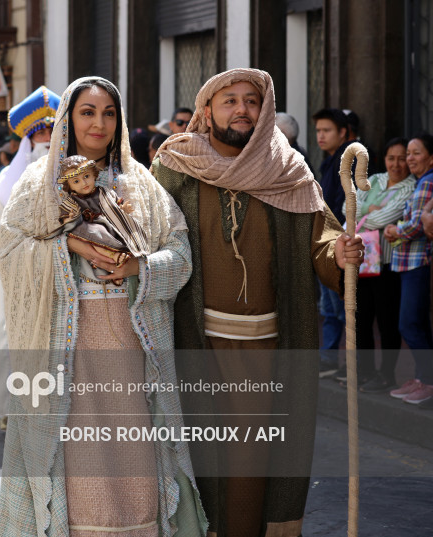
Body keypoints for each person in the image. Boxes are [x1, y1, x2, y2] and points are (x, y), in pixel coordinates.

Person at [153, 68, 363, 537]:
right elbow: (149, 237)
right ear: (207, 111)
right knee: (196, 455)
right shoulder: (176, 165)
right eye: (230, 100)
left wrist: (339, 254)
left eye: (251, 100)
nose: (242, 109)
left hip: (267, 349)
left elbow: (321, 239)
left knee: (251, 461)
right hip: (192, 342)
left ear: (264, 110)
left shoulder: (288, 170)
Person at [0, 76, 206, 537]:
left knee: (136, 454)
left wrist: (138, 269)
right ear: (68, 119)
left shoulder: (142, 184)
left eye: (109, 112)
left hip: (132, 344)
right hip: (67, 345)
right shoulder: (38, 184)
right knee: (77, 457)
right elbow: (9, 254)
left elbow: (181, 253)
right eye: (87, 112)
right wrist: (70, 244)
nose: (99, 122)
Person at [0, 86, 59, 430]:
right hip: (14, 274)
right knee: (8, 334)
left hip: (59, 271)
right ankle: (10, 407)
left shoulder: (76, 173)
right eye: (38, 133)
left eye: (51, 131)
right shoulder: (6, 182)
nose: (45, 138)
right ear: (27, 141)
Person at [350, 138, 415, 392]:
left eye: (402, 158)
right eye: (391, 158)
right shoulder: (374, 180)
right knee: (361, 318)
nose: (396, 164)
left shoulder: (410, 186)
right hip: (363, 261)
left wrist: (364, 214)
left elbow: (389, 215)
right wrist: (369, 212)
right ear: (384, 159)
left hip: (388, 263)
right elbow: (348, 206)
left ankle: (386, 374)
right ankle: (364, 372)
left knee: (387, 321)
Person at [41, 155, 147, 286]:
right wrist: (70, 218)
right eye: (76, 181)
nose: (84, 183)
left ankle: (119, 265)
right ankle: (115, 258)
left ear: (93, 174)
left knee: (122, 234)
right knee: (94, 235)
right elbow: (65, 220)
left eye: (86, 176)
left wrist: (123, 209)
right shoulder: (71, 202)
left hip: (110, 224)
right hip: (89, 229)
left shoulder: (103, 192)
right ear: (69, 186)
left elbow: (115, 205)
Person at [383, 133, 433, 405]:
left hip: (417, 262)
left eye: (416, 153)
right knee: (418, 324)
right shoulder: (421, 182)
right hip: (409, 262)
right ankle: (423, 377)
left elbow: (417, 225)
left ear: (431, 157)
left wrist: (394, 229)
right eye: (408, 154)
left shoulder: (428, 182)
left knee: (409, 324)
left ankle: (427, 381)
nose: (410, 159)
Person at [313, 108, 352, 376]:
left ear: (343, 133)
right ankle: (328, 359)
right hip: (325, 242)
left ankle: (349, 365)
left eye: (327, 131)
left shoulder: (349, 160)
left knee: (341, 309)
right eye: (318, 131)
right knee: (328, 308)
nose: (321, 136)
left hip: (342, 243)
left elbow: (344, 206)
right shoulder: (327, 161)